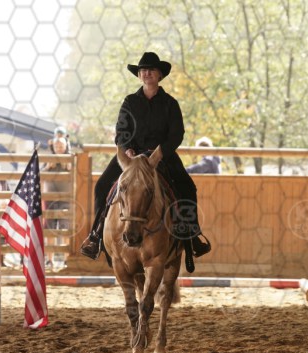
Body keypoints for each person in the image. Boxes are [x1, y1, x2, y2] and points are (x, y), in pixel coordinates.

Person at [80, 51, 211, 262]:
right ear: (139, 75)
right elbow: (121, 131)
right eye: (143, 70)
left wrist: (160, 152)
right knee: (102, 185)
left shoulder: (170, 103)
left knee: (187, 187)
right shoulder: (130, 101)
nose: (146, 73)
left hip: (162, 156)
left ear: (159, 75)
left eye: (151, 70)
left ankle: (192, 236)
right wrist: (127, 149)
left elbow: (177, 134)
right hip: (131, 157)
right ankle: (95, 236)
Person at [42, 131, 71, 270]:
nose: (59, 148)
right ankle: (49, 260)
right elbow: (39, 176)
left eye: (61, 145)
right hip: (50, 199)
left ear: (66, 146)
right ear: (53, 146)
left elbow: (79, 176)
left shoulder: (71, 158)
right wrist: (47, 167)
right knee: (50, 230)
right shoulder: (48, 159)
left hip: (67, 199)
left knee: (66, 229)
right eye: (57, 145)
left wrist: (71, 168)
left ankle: (66, 260)